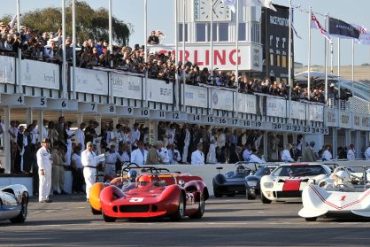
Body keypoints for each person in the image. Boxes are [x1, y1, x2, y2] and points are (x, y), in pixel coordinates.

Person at [36, 138, 53, 203]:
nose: (46, 144)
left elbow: (50, 159)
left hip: (49, 169)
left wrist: (51, 161)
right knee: (43, 183)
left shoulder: (48, 151)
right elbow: (40, 161)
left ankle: (46, 197)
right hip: (43, 169)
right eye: (45, 143)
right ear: (42, 144)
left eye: (48, 142)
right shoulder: (40, 151)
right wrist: (41, 169)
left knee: (48, 183)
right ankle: (41, 198)